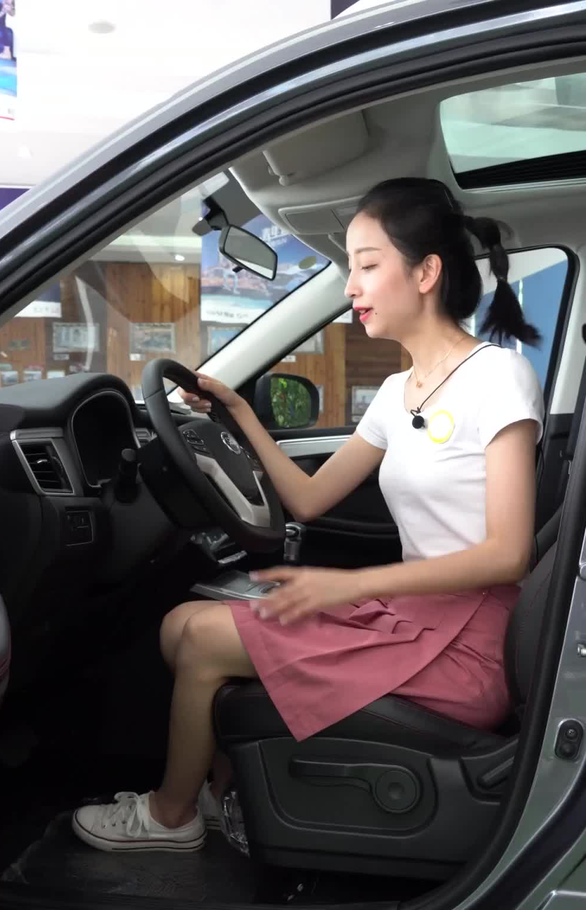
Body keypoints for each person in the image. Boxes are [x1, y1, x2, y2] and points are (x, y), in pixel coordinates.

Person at [72, 177, 544, 853]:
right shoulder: (396, 392)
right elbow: (309, 498)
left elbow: (508, 553)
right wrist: (239, 412)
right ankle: (223, 797)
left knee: (202, 642)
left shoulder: (498, 377)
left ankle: (171, 817)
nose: (351, 286)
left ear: (426, 273)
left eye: (367, 266)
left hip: (468, 645)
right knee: (179, 627)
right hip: (410, 617)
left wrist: (349, 585)